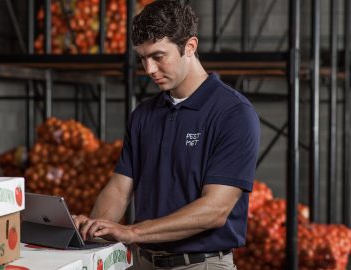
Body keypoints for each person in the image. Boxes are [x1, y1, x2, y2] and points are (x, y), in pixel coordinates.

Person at [72, 1, 260, 269]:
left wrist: (133, 232)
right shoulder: (144, 114)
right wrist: (94, 231)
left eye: (158, 56)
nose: (148, 69)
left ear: (190, 47)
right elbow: (118, 189)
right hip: (144, 262)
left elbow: (215, 210)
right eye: (142, 58)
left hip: (202, 264)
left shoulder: (233, 113)